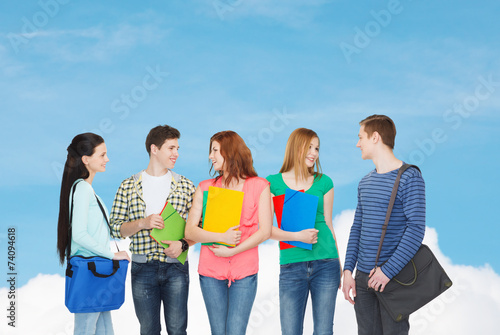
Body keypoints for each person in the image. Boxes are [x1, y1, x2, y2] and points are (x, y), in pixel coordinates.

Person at [342, 115, 426, 335]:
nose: (357, 143)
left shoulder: (410, 177)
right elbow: (357, 228)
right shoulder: (365, 182)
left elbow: (416, 229)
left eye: (361, 137)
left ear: (375, 137)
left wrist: (387, 271)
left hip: (393, 279)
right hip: (362, 281)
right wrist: (348, 270)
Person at [109, 125, 196, 335]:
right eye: (171, 148)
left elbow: (201, 226)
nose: (176, 154)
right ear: (154, 149)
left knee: (177, 330)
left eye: (177, 148)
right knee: (148, 330)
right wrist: (142, 223)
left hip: (176, 267)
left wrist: (183, 244)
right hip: (143, 268)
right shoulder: (128, 186)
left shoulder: (186, 186)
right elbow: (115, 229)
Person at [184, 130, 272, 335]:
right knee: (218, 332)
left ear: (230, 152)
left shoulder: (260, 186)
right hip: (211, 271)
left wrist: (233, 250)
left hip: (245, 271)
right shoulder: (205, 188)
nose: (210, 156)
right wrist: (220, 238)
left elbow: (265, 231)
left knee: (235, 332)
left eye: (215, 150)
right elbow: (190, 230)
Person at [266, 128, 341, 335]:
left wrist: (340, 267)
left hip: (326, 263)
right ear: (295, 148)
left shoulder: (324, 182)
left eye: (316, 148)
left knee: (324, 331)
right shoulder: (272, 183)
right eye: (309, 147)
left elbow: (328, 224)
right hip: (291, 265)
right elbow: (265, 230)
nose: (314, 153)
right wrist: (297, 237)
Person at [57, 133, 130, 335]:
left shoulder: (88, 190)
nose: (107, 159)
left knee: (105, 330)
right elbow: (79, 235)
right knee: (86, 329)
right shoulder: (82, 189)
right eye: (102, 154)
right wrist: (112, 255)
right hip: (91, 270)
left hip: (96, 272)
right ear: (86, 159)